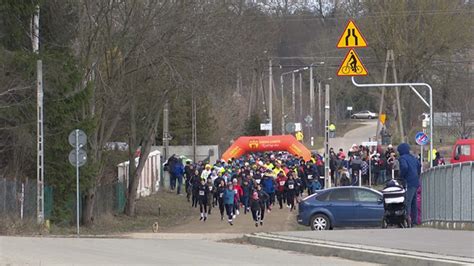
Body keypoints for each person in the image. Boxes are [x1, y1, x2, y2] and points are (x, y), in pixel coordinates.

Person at [398, 143, 421, 227]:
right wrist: (417, 175)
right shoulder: (413, 157)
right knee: (413, 202)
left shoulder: (402, 158)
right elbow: (419, 165)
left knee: (407, 201)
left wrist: (401, 176)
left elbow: (404, 167)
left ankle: (407, 219)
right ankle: (414, 221)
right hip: (415, 182)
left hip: (408, 182)